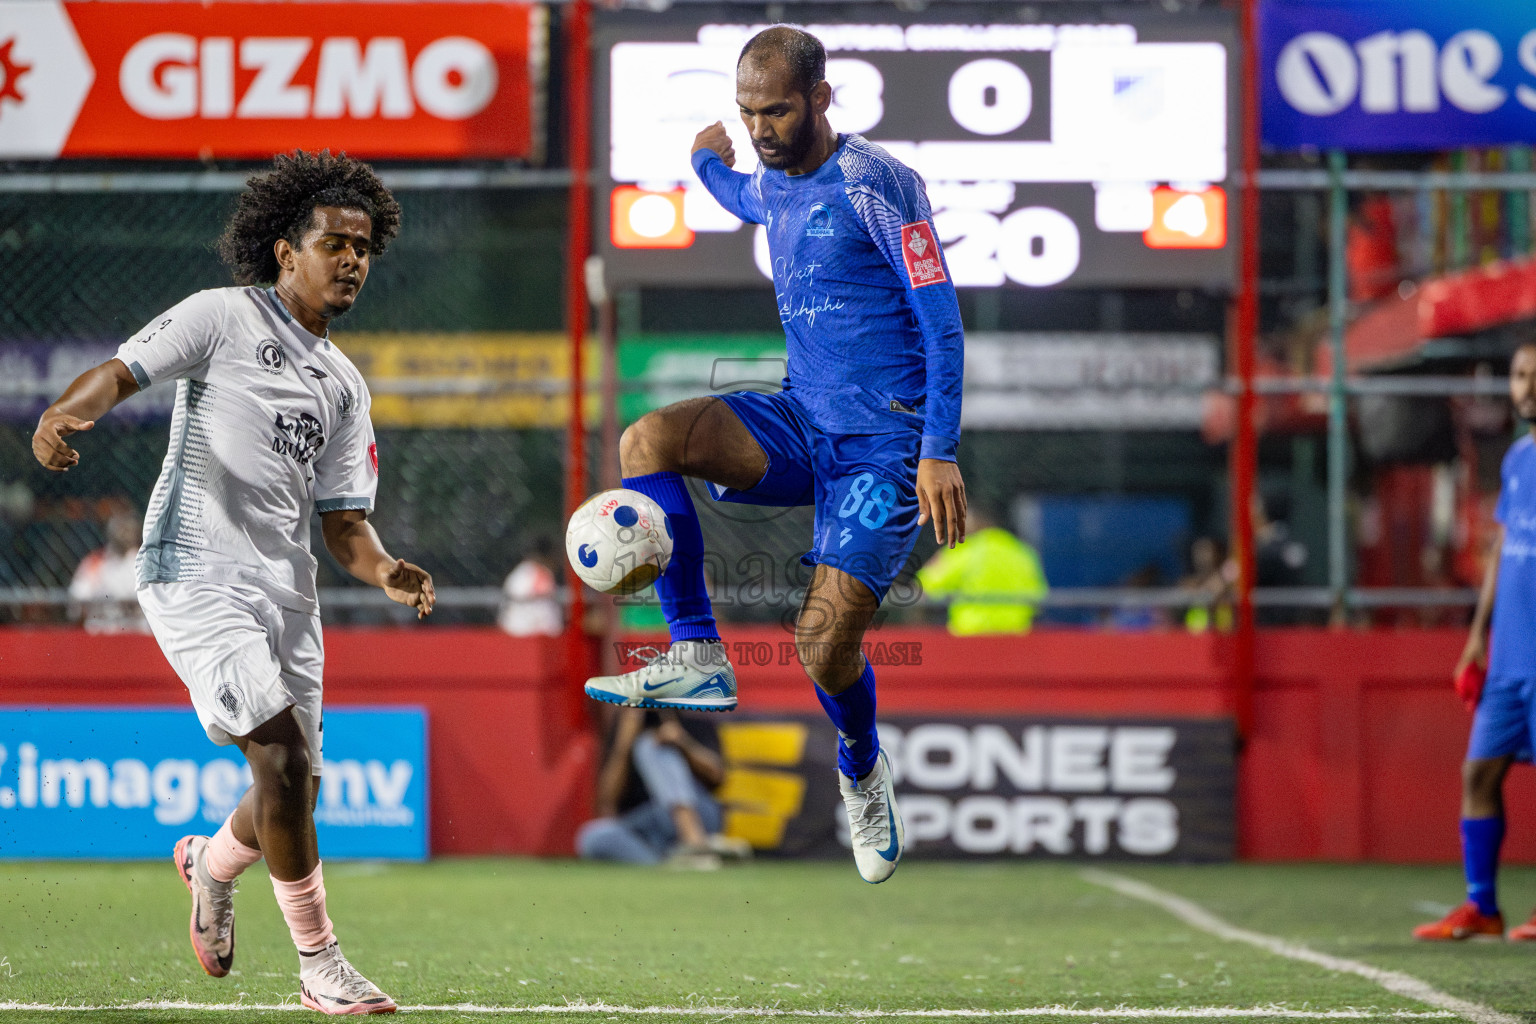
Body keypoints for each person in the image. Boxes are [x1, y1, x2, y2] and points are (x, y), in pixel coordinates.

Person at [31, 150, 435, 1013]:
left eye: (365, 247)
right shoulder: (221, 317)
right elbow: (121, 372)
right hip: (195, 570)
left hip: (287, 594)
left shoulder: (345, 387)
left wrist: (387, 569)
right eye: (335, 243)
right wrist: (68, 413)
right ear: (287, 250)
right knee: (281, 760)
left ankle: (210, 867)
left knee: (293, 791)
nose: (353, 260)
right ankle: (321, 966)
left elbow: (344, 526)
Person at [582, 25, 966, 885]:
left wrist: (938, 450)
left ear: (822, 99)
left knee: (822, 646)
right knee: (647, 439)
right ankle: (697, 655)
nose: (761, 127)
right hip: (801, 419)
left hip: (883, 448)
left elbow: (941, 321)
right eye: (748, 111)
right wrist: (706, 166)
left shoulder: (878, 184)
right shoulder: (773, 176)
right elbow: (751, 199)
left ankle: (862, 766)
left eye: (777, 111)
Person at [1413, 340, 1536, 942]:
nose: (1528, 387)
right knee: (1478, 776)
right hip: (1510, 658)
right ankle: (1482, 908)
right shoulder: (1517, 458)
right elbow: (1502, 555)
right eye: (1519, 375)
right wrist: (1475, 638)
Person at [577, 706, 749, 869]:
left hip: (700, 813)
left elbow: (718, 775)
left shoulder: (694, 717)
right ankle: (673, 865)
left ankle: (694, 841)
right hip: (650, 826)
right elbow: (607, 802)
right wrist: (625, 742)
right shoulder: (625, 724)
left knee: (650, 745)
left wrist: (682, 744)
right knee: (592, 837)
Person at [916, 505, 1046, 636]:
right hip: (1016, 636)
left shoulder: (966, 551)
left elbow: (926, 584)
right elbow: (1038, 597)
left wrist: (937, 560)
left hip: (971, 637)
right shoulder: (1023, 552)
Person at [69, 509, 150, 634]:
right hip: (103, 634)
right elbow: (78, 603)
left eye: (127, 528)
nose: (123, 533)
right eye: (119, 527)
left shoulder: (146, 563)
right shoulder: (94, 562)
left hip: (137, 634)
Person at [498, 535, 563, 636]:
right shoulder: (541, 574)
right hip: (533, 636)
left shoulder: (517, 574)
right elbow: (549, 621)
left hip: (512, 634)